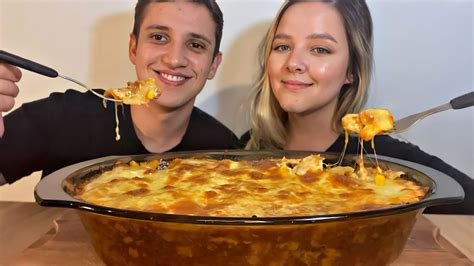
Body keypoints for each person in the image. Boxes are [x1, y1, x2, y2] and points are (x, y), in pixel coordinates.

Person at [242, 0, 473, 214]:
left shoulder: (391, 160)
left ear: (352, 71)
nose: (293, 63)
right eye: (282, 46)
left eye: (320, 49)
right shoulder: (246, 150)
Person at [0, 0, 240, 185]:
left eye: (196, 45)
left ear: (213, 65)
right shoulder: (62, 117)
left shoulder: (224, 150)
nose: (175, 59)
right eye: (159, 37)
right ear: (133, 48)